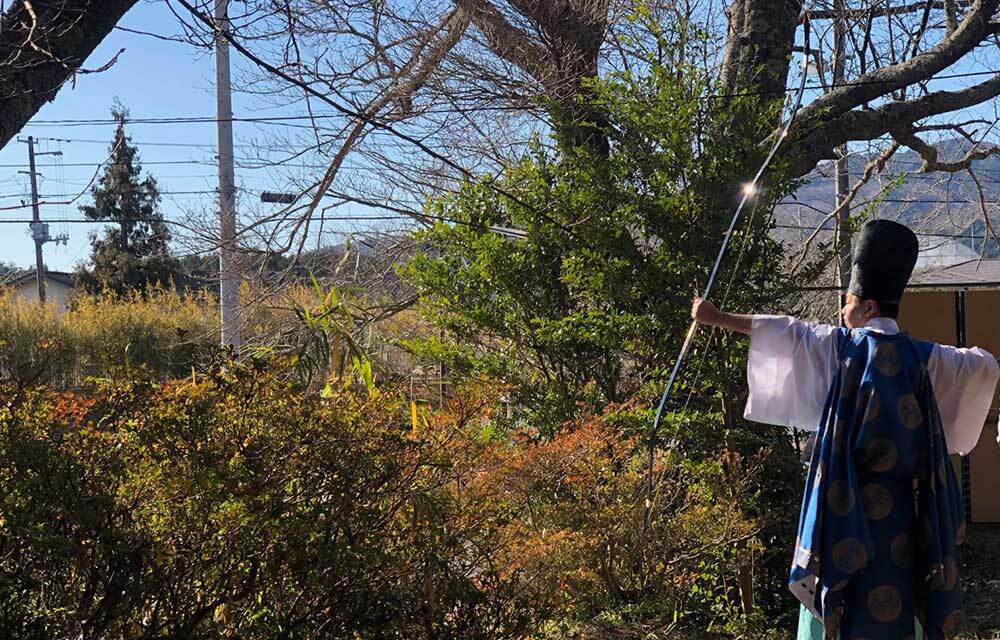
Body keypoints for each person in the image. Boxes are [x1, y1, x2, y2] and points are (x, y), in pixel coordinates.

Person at [691, 219, 999, 640]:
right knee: (896, 604)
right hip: (901, 519)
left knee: (834, 596)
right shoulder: (927, 358)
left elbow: (784, 331)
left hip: (841, 505)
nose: (842, 308)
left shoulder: (838, 346)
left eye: (848, 300)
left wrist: (715, 317)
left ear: (868, 307)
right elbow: (982, 365)